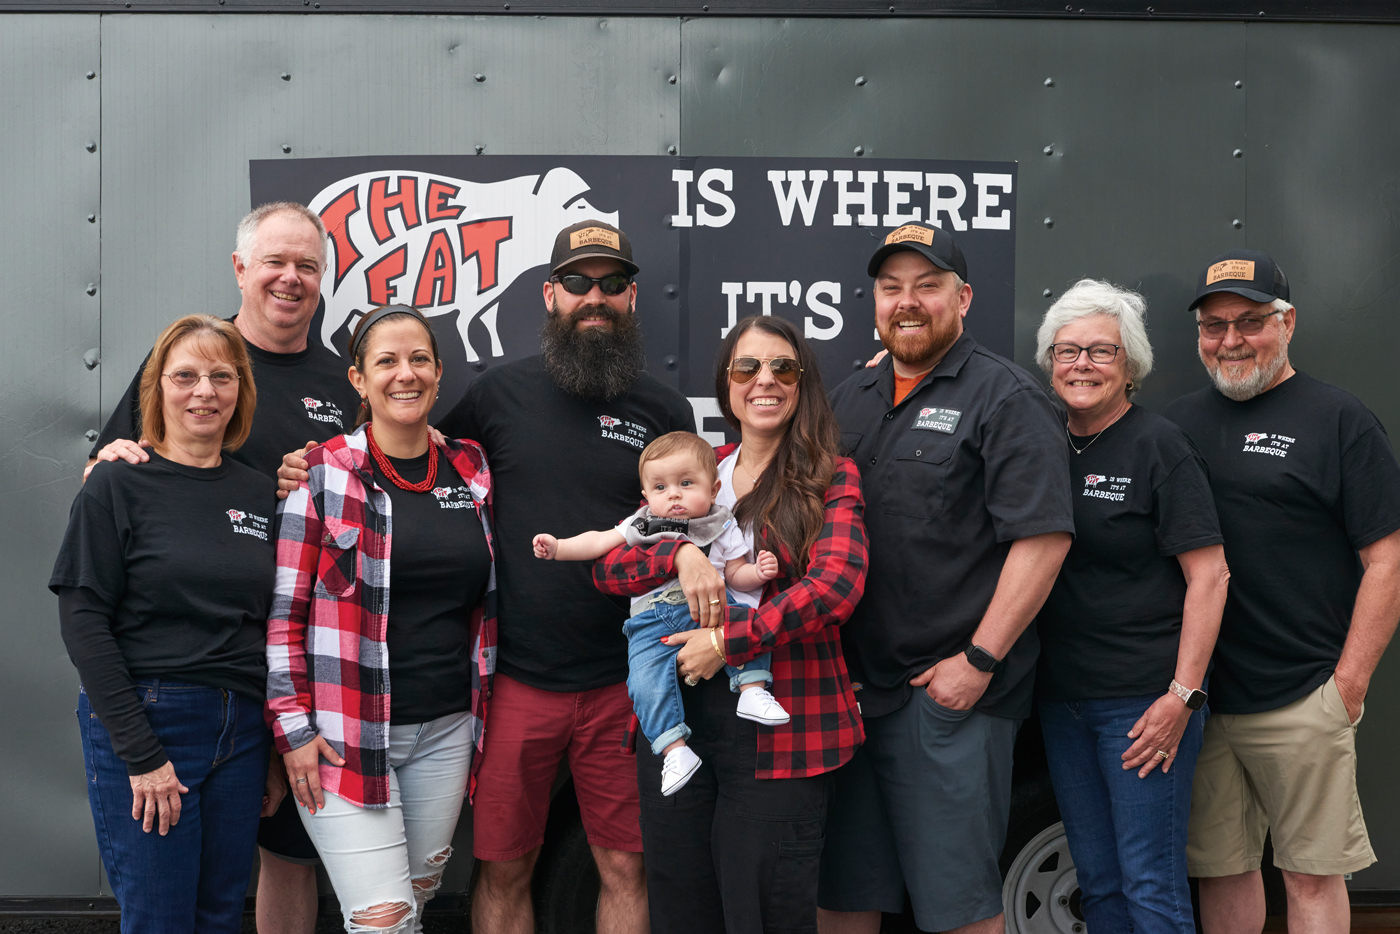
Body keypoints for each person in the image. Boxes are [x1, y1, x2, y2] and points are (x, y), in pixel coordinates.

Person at [281, 219, 694, 934]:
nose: (594, 297)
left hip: (625, 683)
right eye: (577, 282)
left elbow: (691, 520)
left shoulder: (664, 410)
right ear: (550, 294)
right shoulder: (498, 393)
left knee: (627, 867)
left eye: (611, 284)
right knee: (503, 868)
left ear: (632, 298)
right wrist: (309, 465)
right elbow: (417, 452)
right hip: (514, 685)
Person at [87, 201, 359, 934]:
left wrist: (311, 485)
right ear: (240, 268)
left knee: (282, 861)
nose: (290, 278)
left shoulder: (343, 383)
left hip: (283, 675)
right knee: (167, 910)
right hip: (169, 685)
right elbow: (108, 480)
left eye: (307, 265)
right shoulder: (187, 361)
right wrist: (107, 463)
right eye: (274, 261)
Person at [818, 221, 1073, 934]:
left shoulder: (1006, 397)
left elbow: (1043, 541)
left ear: (962, 298)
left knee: (958, 906)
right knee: (841, 896)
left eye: (927, 286)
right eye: (891, 287)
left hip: (945, 700)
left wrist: (978, 661)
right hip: (849, 695)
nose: (907, 301)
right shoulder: (852, 395)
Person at [593, 313, 868, 934]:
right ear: (726, 382)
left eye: (783, 367)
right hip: (680, 726)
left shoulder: (830, 473)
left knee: (762, 912)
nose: (764, 380)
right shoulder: (696, 469)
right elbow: (609, 568)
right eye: (747, 367)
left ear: (802, 382)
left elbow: (835, 588)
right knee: (680, 905)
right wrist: (678, 554)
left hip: (781, 723)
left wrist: (726, 641)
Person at [1162, 250, 1400, 934]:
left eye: (1250, 321)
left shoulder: (1339, 419)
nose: (1231, 340)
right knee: (1222, 870)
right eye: (1214, 326)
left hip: (1302, 695)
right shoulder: (1176, 425)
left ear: (1287, 323)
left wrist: (1347, 687)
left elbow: (1387, 560)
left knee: (1310, 875)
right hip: (1202, 699)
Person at [267, 304, 496, 934]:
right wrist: (292, 729)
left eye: (419, 359)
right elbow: (284, 616)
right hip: (344, 736)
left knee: (415, 907)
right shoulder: (320, 473)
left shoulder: (472, 468)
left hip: (448, 730)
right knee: (383, 921)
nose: (405, 374)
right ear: (359, 380)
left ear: (440, 373)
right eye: (387, 361)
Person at [51, 315, 274, 934]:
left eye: (221, 376)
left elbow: (268, 622)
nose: (204, 391)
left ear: (240, 390)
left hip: (242, 730)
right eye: (185, 376)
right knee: (160, 920)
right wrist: (142, 754)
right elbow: (82, 621)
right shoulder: (116, 482)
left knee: (221, 916)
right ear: (157, 389)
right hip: (151, 719)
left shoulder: (259, 494)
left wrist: (271, 750)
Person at [1032, 279, 1230, 933]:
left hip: (1143, 704)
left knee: (1151, 886)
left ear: (1131, 364)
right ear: (1050, 361)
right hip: (1063, 699)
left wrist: (1182, 696)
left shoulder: (1159, 446)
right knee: (1100, 884)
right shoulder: (1041, 443)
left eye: (1101, 351)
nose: (1082, 365)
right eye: (1067, 351)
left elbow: (1210, 576)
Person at [533, 430, 789, 797]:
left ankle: (752, 689)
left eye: (686, 483)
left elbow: (735, 574)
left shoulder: (719, 523)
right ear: (646, 495)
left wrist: (758, 572)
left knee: (746, 623)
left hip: (711, 610)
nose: (673, 495)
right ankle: (674, 750)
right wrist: (558, 547)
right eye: (660, 487)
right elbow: (599, 542)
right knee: (644, 683)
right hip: (650, 621)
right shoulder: (642, 523)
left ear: (713, 490)